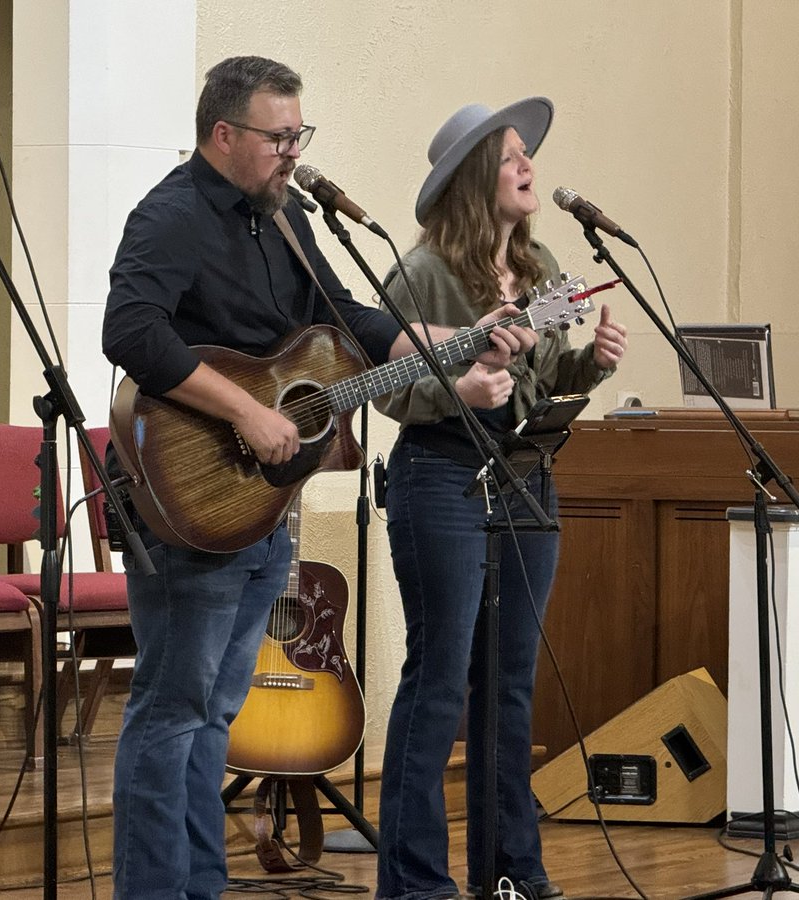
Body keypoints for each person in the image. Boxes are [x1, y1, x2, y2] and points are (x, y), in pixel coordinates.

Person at [101, 57, 537, 900]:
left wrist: (462, 337)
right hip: (187, 494)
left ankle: (198, 888)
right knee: (172, 712)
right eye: (277, 136)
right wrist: (243, 411)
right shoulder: (171, 215)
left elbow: (352, 322)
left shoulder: (289, 214)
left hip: (263, 506)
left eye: (300, 134)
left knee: (213, 718)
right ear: (223, 135)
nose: (293, 151)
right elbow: (133, 331)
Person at [373, 98, 629, 900]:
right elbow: (385, 390)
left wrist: (591, 366)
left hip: (526, 476)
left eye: (528, 154)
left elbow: (542, 377)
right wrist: (464, 389)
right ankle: (417, 884)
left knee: (510, 683)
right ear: (475, 176)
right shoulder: (420, 275)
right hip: (441, 475)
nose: (529, 168)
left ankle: (512, 875)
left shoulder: (549, 267)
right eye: (513, 156)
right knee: (441, 678)